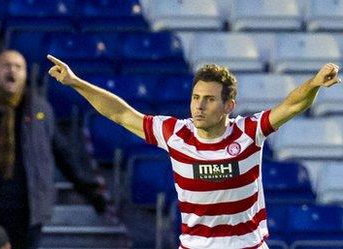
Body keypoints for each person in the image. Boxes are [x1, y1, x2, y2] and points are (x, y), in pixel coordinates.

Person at [46, 55, 340, 248]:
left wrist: (313, 84)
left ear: (228, 106)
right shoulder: (175, 133)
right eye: (196, 97)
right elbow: (120, 114)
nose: (199, 106)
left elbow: (290, 105)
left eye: (209, 99)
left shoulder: (249, 132)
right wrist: (76, 83)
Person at [0, 50, 107, 249]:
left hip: (27, 210)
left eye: (18, 67)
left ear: (25, 74)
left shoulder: (40, 109)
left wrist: (91, 192)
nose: (12, 70)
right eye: (6, 65)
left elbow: (63, 154)